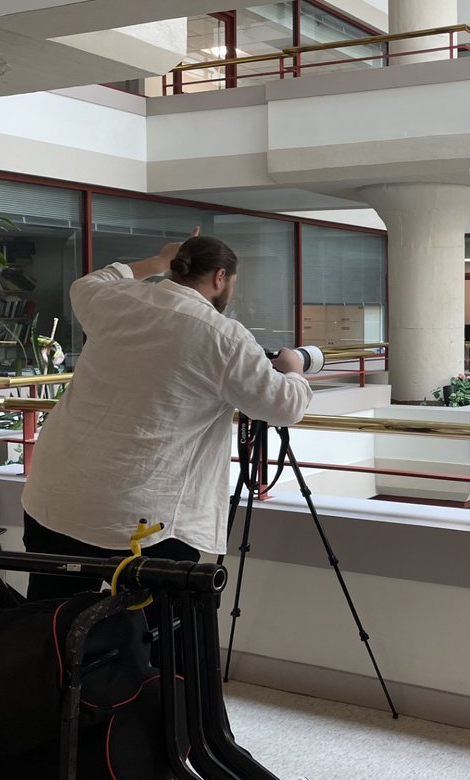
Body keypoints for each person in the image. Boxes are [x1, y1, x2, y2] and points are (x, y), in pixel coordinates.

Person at [21, 229, 315, 601]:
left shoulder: (113, 300)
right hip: (143, 523)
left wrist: (158, 261)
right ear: (220, 277)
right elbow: (285, 406)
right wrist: (293, 370)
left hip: (56, 500)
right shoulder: (223, 336)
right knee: (159, 639)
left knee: (50, 630)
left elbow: (90, 281)